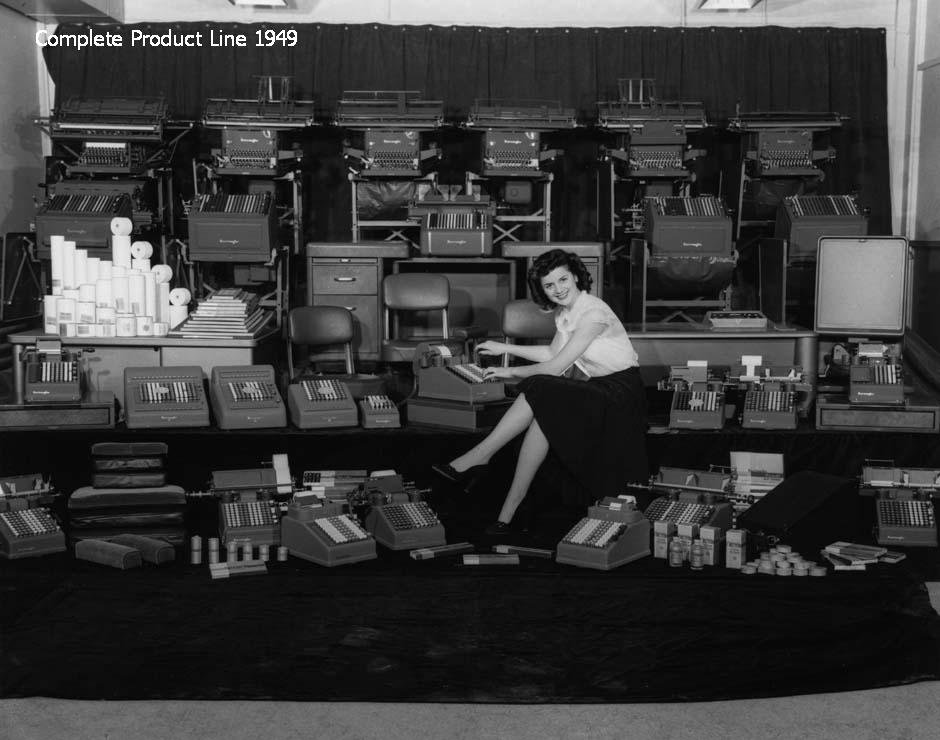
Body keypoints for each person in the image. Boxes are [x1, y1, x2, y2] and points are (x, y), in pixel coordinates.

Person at [432, 248, 648, 535]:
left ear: (576, 277)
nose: (558, 289)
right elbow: (551, 351)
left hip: (622, 394)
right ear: (542, 290)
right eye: (549, 285)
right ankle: (508, 513)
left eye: (563, 280)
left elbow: (557, 365)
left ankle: (480, 456)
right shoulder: (566, 313)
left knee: (541, 386)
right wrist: (504, 348)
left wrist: (510, 371)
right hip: (598, 388)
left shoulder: (593, 313)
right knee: (544, 413)